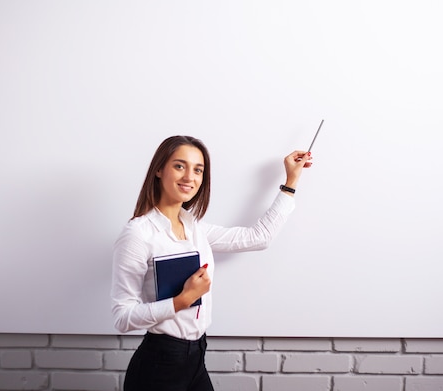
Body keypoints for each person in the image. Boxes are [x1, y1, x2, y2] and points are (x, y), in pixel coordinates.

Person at [111, 135, 312, 391]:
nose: (189, 177)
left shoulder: (195, 229)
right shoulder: (138, 234)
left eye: (198, 170)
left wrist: (291, 181)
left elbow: (258, 238)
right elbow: (122, 317)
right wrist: (181, 301)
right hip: (159, 366)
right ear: (159, 169)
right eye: (179, 166)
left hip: (196, 359)